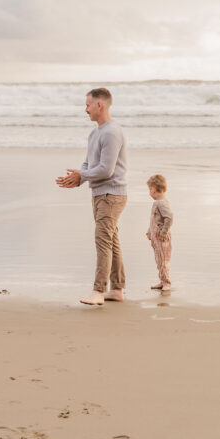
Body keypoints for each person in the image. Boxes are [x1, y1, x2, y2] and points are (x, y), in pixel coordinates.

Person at [55, 88, 128, 306]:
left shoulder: (112, 132)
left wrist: (83, 176)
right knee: (112, 241)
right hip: (100, 193)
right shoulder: (95, 133)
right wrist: (78, 177)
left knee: (103, 242)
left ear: (100, 105)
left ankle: (98, 291)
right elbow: (88, 163)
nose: (85, 109)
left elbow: (106, 169)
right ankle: (116, 289)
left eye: (88, 105)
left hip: (112, 194)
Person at [145, 174, 174, 291]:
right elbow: (154, 219)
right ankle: (162, 280)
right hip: (156, 237)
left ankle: (167, 282)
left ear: (153, 189)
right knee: (159, 259)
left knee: (164, 260)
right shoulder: (158, 203)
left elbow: (169, 218)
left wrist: (163, 233)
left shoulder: (161, 203)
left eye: (149, 189)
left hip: (162, 238)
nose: (149, 192)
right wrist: (149, 231)